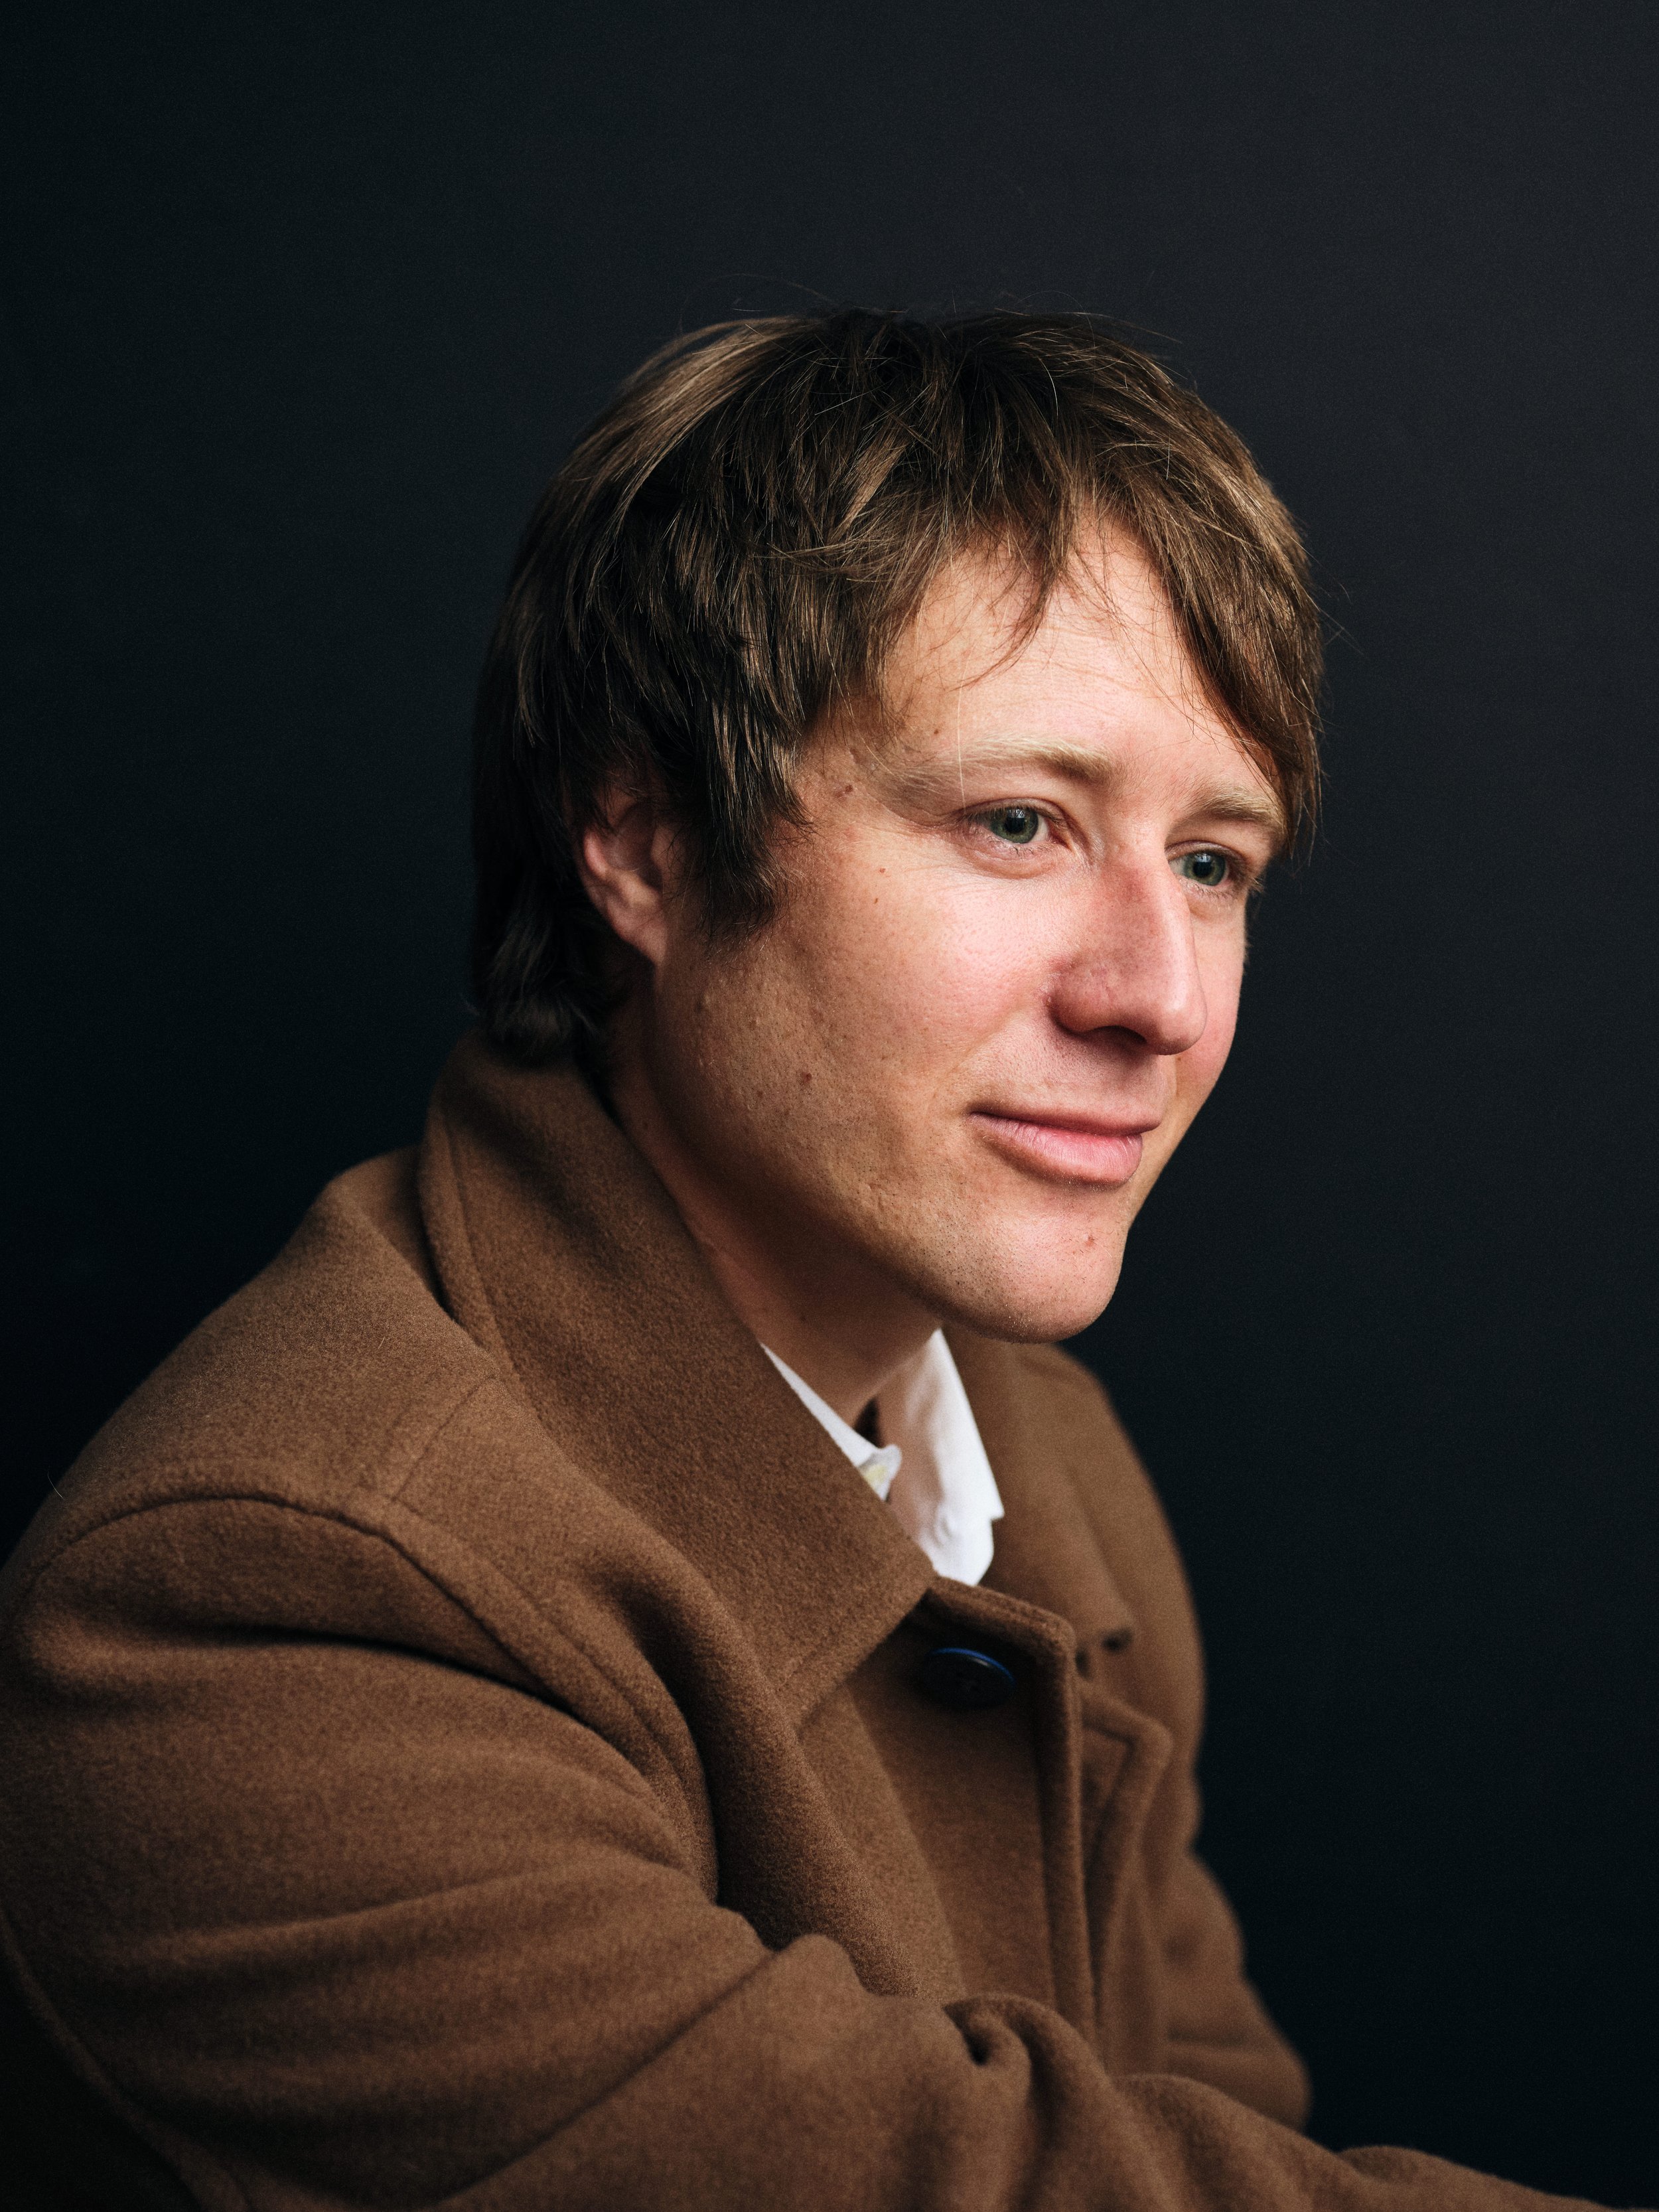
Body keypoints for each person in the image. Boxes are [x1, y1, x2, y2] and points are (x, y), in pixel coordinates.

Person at [0, 311, 1613, 2211]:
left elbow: (1216, 2145)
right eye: (1018, 823)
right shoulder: (268, 1599)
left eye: (1212, 863)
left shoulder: (1041, 1456)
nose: (1158, 999)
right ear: (642, 841)